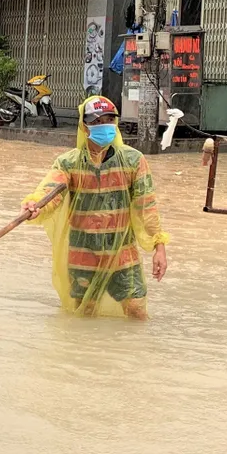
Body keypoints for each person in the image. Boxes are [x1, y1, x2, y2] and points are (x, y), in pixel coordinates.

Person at [21, 95, 169, 320]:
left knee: (137, 312)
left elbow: (146, 206)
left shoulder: (133, 161)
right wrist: (35, 205)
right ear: (84, 125)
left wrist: (159, 247)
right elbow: (51, 191)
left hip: (123, 254)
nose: (104, 126)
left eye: (109, 120)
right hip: (83, 253)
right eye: (97, 121)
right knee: (85, 313)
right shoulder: (69, 163)